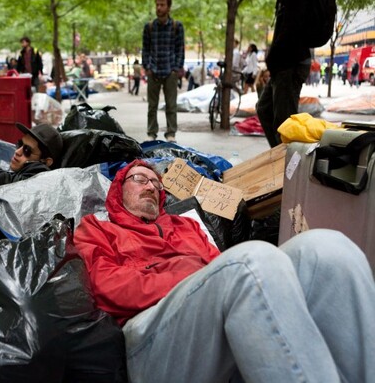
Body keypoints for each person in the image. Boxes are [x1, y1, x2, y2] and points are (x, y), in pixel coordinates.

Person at [74, 159, 375, 383]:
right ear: (118, 189)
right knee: (249, 262)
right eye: (140, 179)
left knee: (327, 249)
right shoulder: (98, 228)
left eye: (156, 183)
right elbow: (106, 287)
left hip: (203, 320)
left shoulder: (185, 225)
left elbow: (217, 270)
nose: (151, 186)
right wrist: (188, 273)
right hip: (147, 337)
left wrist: (203, 277)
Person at [256, 0, 311, 148]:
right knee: (264, 109)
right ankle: (279, 157)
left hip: (290, 65)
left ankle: (287, 164)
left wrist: (272, 58)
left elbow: (290, 31)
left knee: (284, 125)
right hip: (282, 66)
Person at [142, 0, 185, 142]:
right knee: (152, 105)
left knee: (171, 105)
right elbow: (145, 49)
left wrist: (176, 69)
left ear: (168, 7)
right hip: (153, 70)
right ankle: (151, 133)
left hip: (170, 71)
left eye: (162, 5)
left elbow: (180, 49)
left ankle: (171, 133)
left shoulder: (176, 27)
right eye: (157, 5)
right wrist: (147, 66)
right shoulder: (149, 27)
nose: (159, 8)